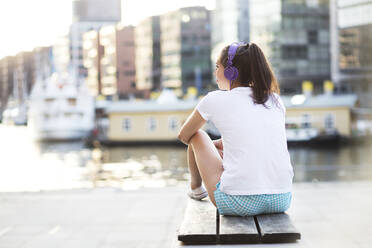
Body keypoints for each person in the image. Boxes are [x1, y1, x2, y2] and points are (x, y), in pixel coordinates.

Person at [177, 42, 294, 216]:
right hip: (282, 198)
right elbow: (258, 135)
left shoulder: (214, 100)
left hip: (237, 202)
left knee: (198, 135)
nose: (215, 72)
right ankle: (199, 185)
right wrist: (226, 146)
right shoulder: (275, 100)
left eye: (218, 67)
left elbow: (184, 135)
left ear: (230, 71)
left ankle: (195, 188)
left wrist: (210, 148)